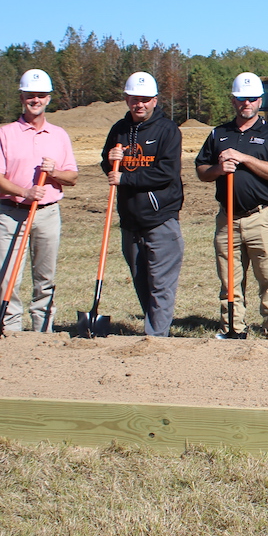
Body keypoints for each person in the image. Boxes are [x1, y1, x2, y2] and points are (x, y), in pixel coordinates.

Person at [195, 71, 268, 341]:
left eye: (250, 99)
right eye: (240, 99)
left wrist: (243, 158)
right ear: (233, 101)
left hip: (261, 217)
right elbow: (201, 171)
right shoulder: (218, 134)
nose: (245, 104)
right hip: (227, 219)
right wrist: (217, 168)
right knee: (230, 281)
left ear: (260, 101)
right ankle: (233, 328)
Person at [0, 68, 79, 332]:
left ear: (48, 98)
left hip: (47, 214)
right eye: (30, 95)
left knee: (45, 277)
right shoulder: (5, 134)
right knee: (7, 277)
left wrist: (54, 173)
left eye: (40, 95)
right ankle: (10, 330)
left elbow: (72, 177)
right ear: (22, 97)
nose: (35, 100)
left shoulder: (59, 135)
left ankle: (43, 330)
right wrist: (24, 192)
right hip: (12, 213)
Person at [101, 71, 184, 337]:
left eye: (146, 99)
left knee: (161, 285)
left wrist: (126, 178)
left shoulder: (168, 130)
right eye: (135, 99)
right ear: (126, 99)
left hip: (160, 219)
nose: (140, 104)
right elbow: (109, 167)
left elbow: (166, 173)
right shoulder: (119, 130)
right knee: (142, 283)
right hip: (130, 221)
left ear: (155, 100)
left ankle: (155, 339)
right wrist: (109, 159)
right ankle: (158, 332)